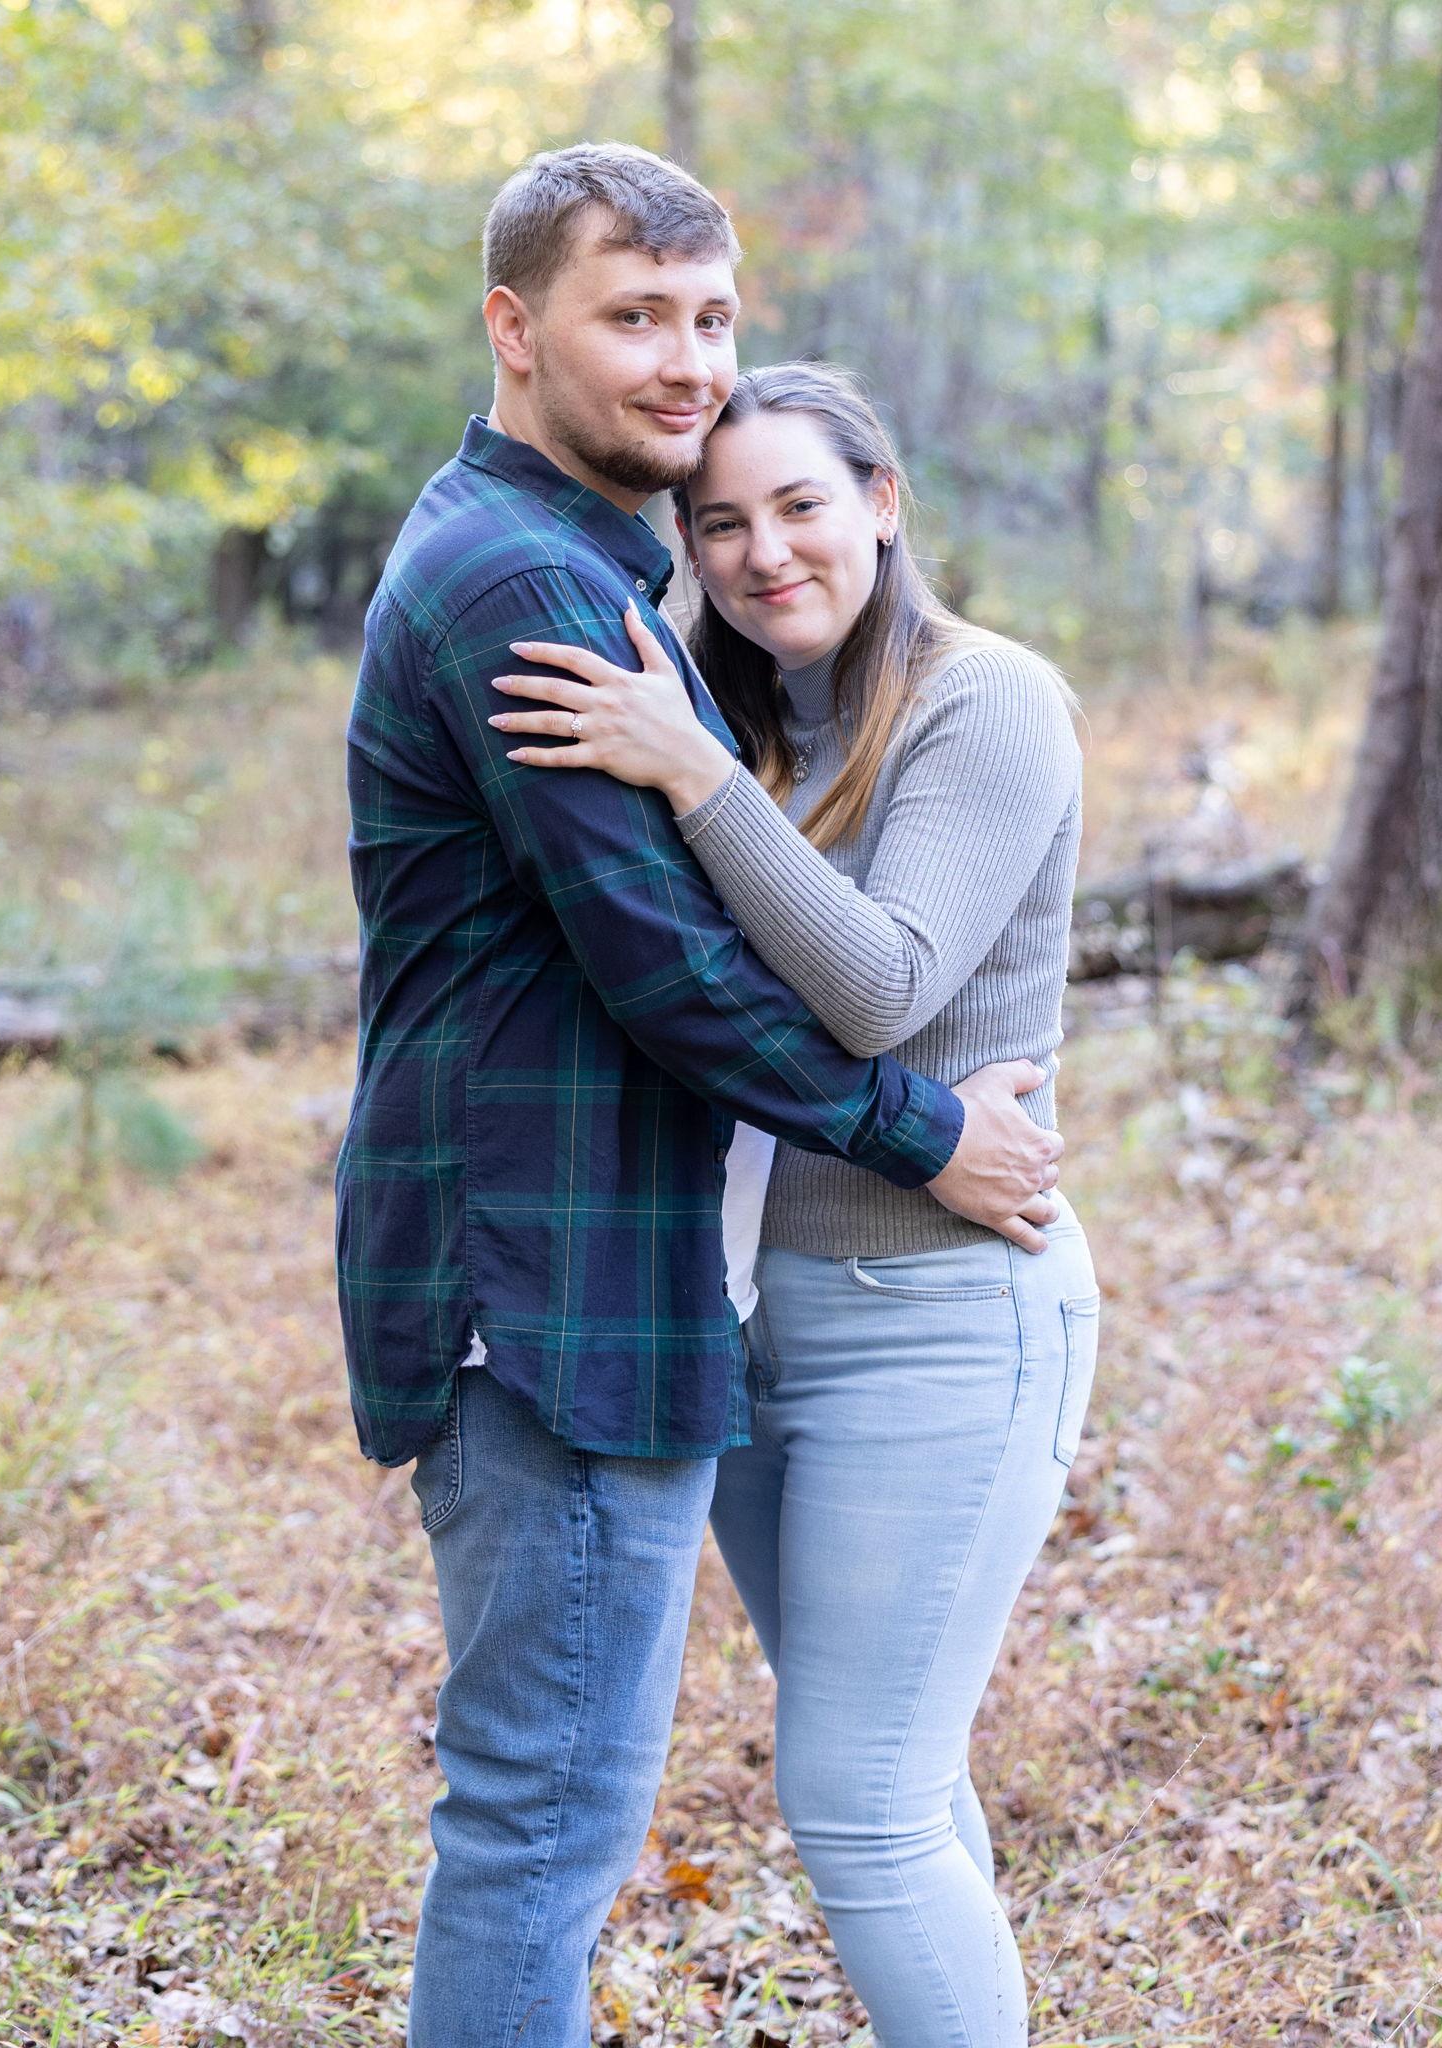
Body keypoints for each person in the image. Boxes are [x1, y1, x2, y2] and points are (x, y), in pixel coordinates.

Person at [335, 146, 1063, 2047]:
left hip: (602, 1284)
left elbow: (798, 943)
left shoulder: (601, 581)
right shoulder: (532, 584)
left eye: (712, 316)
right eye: (635, 315)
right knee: (540, 1828)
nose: (686, 360)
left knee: (624, 1810)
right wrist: (929, 1132)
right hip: (553, 1296)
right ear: (515, 329)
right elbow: (667, 968)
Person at [489, 359, 1096, 2046]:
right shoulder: (743, 713)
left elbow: (882, 990)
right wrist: (705, 753)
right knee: (903, 1780)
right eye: (721, 522)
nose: (766, 553)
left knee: (857, 1801)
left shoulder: (987, 701)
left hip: (947, 1308)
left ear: (883, 503)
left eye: (803, 505)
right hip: (754, 1316)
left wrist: (694, 777)